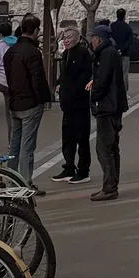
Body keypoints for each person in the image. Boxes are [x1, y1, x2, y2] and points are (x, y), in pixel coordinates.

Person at [3, 14, 51, 188]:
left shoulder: (10, 51)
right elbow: (38, 79)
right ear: (36, 31)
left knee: (14, 144)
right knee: (27, 146)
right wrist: (44, 98)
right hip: (30, 103)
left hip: (15, 101)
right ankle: (26, 182)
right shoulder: (33, 53)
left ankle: (10, 180)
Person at [89, 19, 128, 201]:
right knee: (112, 147)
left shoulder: (105, 54)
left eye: (93, 38)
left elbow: (102, 80)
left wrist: (94, 96)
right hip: (115, 105)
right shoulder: (112, 52)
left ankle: (109, 186)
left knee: (104, 148)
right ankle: (111, 184)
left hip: (107, 106)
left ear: (98, 38)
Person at [54, 21, 94, 183]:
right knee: (67, 137)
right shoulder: (65, 55)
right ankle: (68, 167)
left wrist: (69, 89)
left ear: (77, 38)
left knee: (82, 138)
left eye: (69, 37)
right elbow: (63, 75)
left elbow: (83, 77)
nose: (66, 40)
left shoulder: (83, 53)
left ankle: (84, 170)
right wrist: (58, 84)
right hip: (67, 104)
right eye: (64, 37)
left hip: (79, 103)